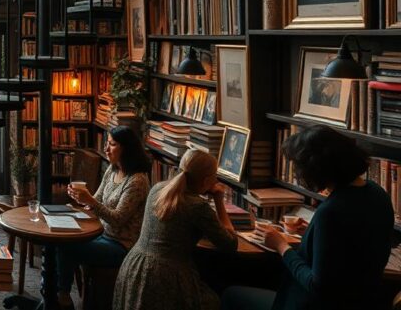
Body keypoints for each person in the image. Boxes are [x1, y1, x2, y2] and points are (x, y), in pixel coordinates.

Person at [221, 126, 393, 310]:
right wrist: (312, 235)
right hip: (363, 302)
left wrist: (281, 246)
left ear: (317, 169)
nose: (297, 175)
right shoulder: (378, 194)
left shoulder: (331, 211)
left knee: (231, 294)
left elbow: (318, 286)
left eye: (299, 168)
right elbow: (353, 245)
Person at [114, 149, 238, 310]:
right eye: (215, 175)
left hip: (135, 267)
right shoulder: (198, 207)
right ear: (207, 180)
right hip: (167, 278)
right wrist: (219, 201)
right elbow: (230, 244)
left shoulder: (158, 189)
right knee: (213, 301)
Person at [58, 126, 152, 308]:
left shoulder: (137, 181)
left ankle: (62, 296)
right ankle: (56, 292)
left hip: (121, 245)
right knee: (59, 238)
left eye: (112, 144)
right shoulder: (113, 169)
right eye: (107, 143)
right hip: (101, 233)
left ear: (127, 148)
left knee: (65, 247)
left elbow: (117, 219)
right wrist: (81, 198)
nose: (106, 149)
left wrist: (91, 202)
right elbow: (97, 200)